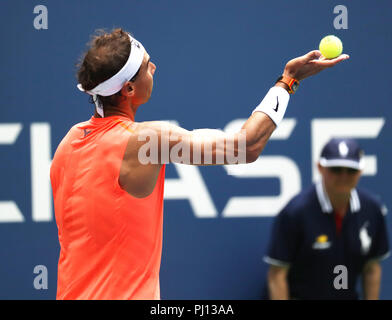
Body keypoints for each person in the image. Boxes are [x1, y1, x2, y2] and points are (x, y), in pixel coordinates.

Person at [50, 28, 349, 299]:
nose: (154, 68)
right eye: (146, 67)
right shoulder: (145, 141)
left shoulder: (68, 143)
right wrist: (288, 81)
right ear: (128, 89)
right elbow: (245, 147)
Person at [264, 138, 390, 300]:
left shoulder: (372, 210)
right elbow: (277, 275)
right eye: (336, 169)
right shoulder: (295, 212)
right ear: (320, 168)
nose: (343, 176)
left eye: (351, 170)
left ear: (360, 171)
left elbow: (371, 268)